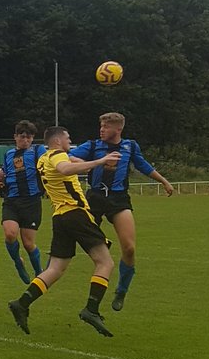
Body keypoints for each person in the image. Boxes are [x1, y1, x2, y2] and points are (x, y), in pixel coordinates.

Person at [8, 126, 123, 337]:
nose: (70, 141)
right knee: (105, 262)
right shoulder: (59, 156)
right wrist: (99, 161)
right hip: (75, 213)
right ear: (59, 141)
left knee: (56, 269)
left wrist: (96, 161)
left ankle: (21, 303)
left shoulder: (44, 158)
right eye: (68, 138)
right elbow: (65, 169)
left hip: (60, 217)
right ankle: (91, 309)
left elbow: (77, 166)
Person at [68, 112, 175, 312]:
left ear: (118, 129)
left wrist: (163, 181)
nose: (101, 130)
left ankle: (121, 290)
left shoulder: (130, 146)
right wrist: (76, 160)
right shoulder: (92, 146)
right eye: (100, 126)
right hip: (95, 197)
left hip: (118, 199)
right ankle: (52, 266)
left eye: (106, 127)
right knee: (74, 234)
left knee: (129, 248)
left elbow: (143, 166)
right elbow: (66, 157)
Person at [0, 121, 48, 284]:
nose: (25, 140)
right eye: (22, 136)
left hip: (31, 201)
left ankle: (38, 271)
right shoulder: (9, 154)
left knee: (28, 243)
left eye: (29, 137)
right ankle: (18, 262)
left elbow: (48, 166)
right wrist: (1, 174)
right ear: (15, 137)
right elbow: (5, 171)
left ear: (32, 138)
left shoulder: (39, 150)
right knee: (10, 234)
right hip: (11, 200)